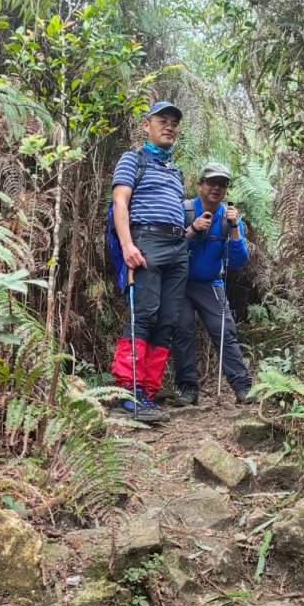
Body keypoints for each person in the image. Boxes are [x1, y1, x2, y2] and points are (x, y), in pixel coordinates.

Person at [110, 100, 188, 423]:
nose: (169, 126)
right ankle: (128, 392)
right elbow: (120, 200)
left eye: (173, 122)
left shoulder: (176, 170)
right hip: (146, 242)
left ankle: (148, 392)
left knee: (167, 320)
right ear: (147, 125)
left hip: (177, 247)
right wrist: (127, 244)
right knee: (142, 314)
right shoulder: (133, 159)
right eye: (162, 120)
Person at [171, 161, 253, 406]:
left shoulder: (229, 219)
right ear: (200, 185)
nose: (217, 188)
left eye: (223, 184)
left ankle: (242, 387)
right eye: (211, 182)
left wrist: (236, 227)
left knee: (225, 333)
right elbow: (169, 249)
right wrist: (192, 230)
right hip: (180, 284)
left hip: (210, 284)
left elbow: (238, 261)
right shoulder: (183, 210)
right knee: (182, 333)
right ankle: (187, 389)